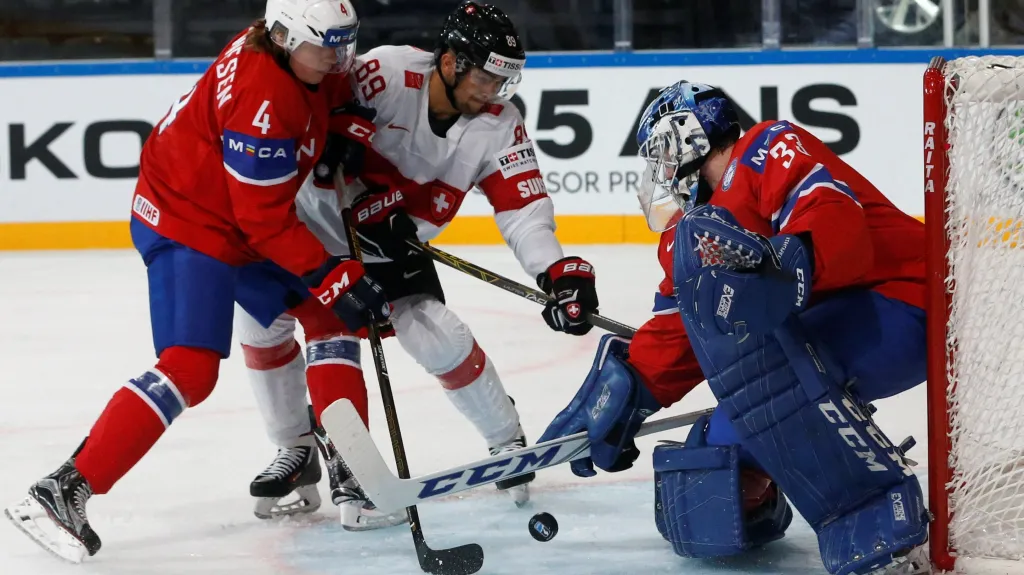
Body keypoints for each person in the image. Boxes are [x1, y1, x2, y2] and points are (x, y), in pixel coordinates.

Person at [3, 0, 390, 563]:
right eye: (326, 45)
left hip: (230, 218)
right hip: (189, 224)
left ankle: (349, 470)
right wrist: (332, 275)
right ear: (284, 36)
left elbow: (320, 98)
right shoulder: (264, 98)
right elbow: (264, 220)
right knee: (191, 367)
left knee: (328, 318)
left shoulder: (285, 55)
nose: (339, 57)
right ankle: (62, 490)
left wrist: (343, 123)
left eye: (344, 42)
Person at [537, 81, 931, 575]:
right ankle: (773, 500)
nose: (657, 171)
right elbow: (683, 327)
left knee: (766, 404)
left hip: (909, 298)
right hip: (849, 319)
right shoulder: (696, 229)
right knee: (714, 460)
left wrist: (786, 265)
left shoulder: (765, 149)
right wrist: (628, 388)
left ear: (688, 139)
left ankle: (880, 525)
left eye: (657, 153)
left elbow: (834, 221)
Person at [237, 1, 601, 530]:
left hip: (391, 243)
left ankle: (507, 443)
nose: (494, 92)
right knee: (260, 320)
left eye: (506, 80)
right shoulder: (383, 71)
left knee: (436, 333)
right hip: (309, 226)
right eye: (486, 78)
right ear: (450, 63)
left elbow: (524, 214)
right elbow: (307, 99)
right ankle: (294, 449)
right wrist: (336, 132)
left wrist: (555, 270)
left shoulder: (499, 125)